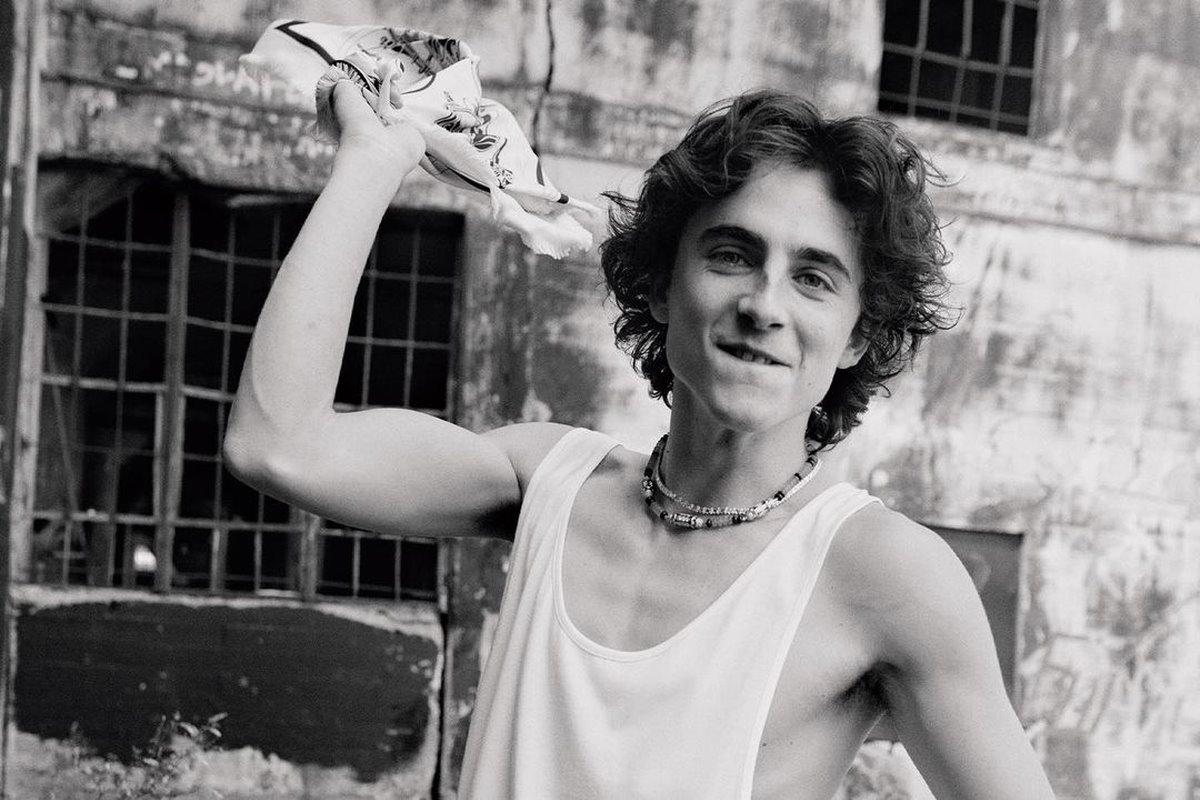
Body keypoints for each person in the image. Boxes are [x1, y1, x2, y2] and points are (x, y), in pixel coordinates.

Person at [225, 79, 1057, 799]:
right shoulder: (546, 481)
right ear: (661, 286)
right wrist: (374, 159)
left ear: (856, 337)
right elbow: (278, 445)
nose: (764, 305)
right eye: (732, 255)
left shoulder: (883, 574)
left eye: (813, 278)